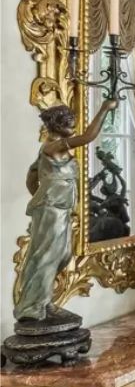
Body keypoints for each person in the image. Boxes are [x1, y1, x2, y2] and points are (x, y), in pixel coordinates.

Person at [14, 98, 118, 322]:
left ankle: (43, 301)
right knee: (46, 257)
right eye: (68, 121)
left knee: (61, 255)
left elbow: (32, 176)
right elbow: (89, 137)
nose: (73, 123)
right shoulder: (54, 146)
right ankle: (31, 308)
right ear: (56, 125)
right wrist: (104, 108)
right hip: (52, 209)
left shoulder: (50, 149)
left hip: (57, 208)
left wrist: (44, 194)